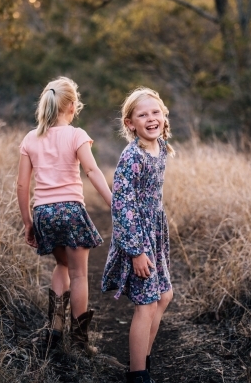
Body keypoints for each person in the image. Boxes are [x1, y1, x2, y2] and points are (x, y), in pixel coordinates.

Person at [17, 76, 111, 356]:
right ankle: (80, 344)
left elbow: (22, 185)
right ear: (71, 106)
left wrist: (27, 222)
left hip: (44, 213)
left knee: (61, 267)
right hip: (70, 210)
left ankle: (54, 332)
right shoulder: (76, 134)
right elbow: (92, 171)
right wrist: (113, 203)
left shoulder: (31, 138)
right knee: (79, 274)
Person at [102, 87, 175, 383]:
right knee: (146, 304)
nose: (151, 118)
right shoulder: (133, 156)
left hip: (154, 232)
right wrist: (135, 251)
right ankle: (137, 373)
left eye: (155, 112)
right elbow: (121, 206)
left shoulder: (161, 147)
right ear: (130, 123)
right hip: (137, 236)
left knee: (164, 295)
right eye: (142, 115)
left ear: (164, 115)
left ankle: (143, 355)